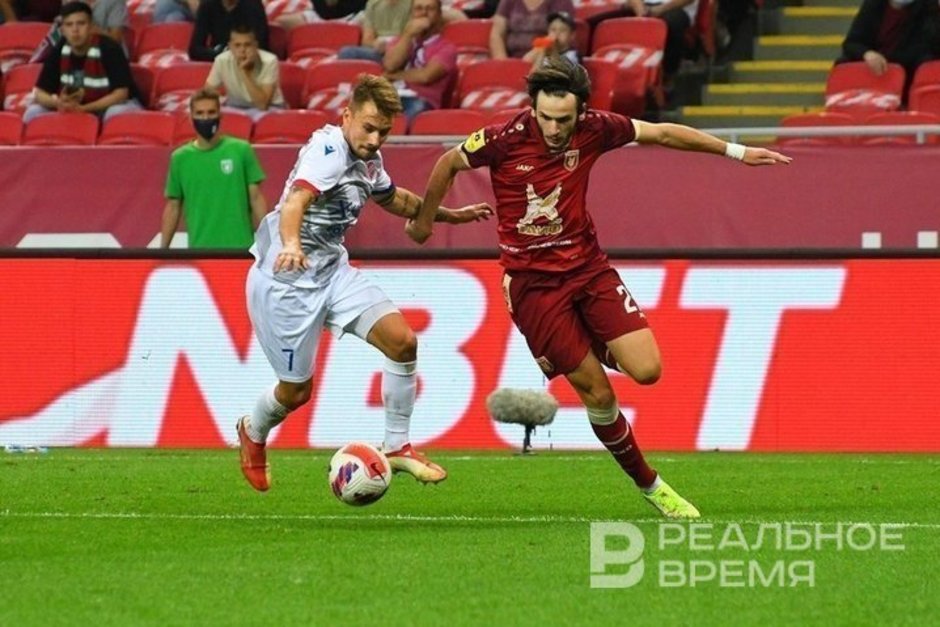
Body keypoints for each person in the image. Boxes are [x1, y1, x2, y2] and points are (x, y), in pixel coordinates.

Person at [411, 57, 791, 519]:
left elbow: (662, 133)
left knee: (648, 370)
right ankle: (652, 486)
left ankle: (582, 340)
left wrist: (735, 152)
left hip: (589, 270)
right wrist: (426, 221)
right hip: (533, 288)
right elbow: (447, 162)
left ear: (582, 112)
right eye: (546, 117)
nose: (554, 129)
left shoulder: (596, 129)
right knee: (599, 393)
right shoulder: (503, 138)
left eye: (563, 119)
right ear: (532, 108)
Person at [236, 74, 492, 492]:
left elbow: (396, 200)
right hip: (286, 283)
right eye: (369, 127)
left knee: (403, 342)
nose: (375, 139)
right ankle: (253, 431)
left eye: (384, 132)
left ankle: (397, 445)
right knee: (296, 392)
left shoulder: (369, 160)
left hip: (332, 271)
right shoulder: (328, 152)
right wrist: (291, 244)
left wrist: (447, 214)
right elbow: (296, 200)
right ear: (347, 116)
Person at [161, 88, 268, 249]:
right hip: (200, 251)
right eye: (200, 113)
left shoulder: (241, 150)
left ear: (220, 115)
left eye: (211, 112)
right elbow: (173, 207)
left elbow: (256, 199)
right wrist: (162, 251)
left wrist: (270, 243)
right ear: (191, 118)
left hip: (240, 250)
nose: (206, 118)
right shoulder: (180, 158)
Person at [24, 1, 141, 123]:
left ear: (91, 27)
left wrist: (84, 109)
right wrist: (59, 103)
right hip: (76, 106)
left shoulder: (109, 48)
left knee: (115, 113)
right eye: (69, 25)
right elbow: (39, 92)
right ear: (63, 30)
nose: (75, 30)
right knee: (34, 112)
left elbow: (121, 94)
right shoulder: (59, 48)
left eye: (81, 24)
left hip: (114, 105)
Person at [382, 0, 458, 124]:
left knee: (415, 108)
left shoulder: (447, 48)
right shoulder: (400, 41)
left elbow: (425, 76)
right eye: (418, 8)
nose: (423, 13)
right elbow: (390, 65)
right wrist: (408, 35)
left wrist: (393, 76)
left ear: (439, 15)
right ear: (411, 14)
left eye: (430, 9)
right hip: (392, 96)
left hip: (422, 102)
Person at [837, 0, 940, 89]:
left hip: (906, 74)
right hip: (873, 72)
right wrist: (867, 53)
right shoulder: (873, 5)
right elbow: (851, 43)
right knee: (844, 62)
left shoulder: (928, 8)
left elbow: (929, 46)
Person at [205, 23, 286, 121]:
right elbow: (207, 93)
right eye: (237, 45)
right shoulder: (221, 60)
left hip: (269, 109)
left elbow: (262, 105)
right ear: (230, 46)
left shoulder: (269, 61)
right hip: (234, 107)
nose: (242, 50)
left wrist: (245, 73)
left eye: (247, 45)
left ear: (255, 45)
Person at [488, 0, 574, 60]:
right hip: (510, 60)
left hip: (544, 60)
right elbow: (497, 34)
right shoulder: (508, 1)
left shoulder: (561, 2)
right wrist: (504, 64)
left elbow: (560, 35)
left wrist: (531, 58)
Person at [188, 0, 270, 62]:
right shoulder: (208, 5)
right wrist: (221, 55)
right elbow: (195, 49)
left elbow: (260, 46)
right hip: (218, 61)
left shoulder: (253, 5)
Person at [337, 0, 413, 62]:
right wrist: (375, 44)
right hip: (379, 51)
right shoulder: (373, 3)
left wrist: (394, 46)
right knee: (346, 52)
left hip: (402, 50)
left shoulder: (412, 4)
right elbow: (366, 41)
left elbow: (412, 35)